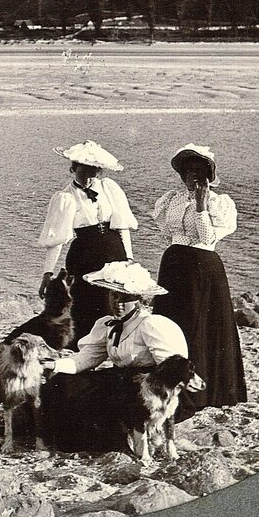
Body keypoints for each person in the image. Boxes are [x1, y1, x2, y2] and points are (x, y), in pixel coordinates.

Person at [40, 261, 189, 451]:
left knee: (103, 407)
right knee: (63, 384)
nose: (117, 303)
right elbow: (87, 358)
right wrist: (53, 365)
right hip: (119, 379)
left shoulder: (150, 325)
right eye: (113, 296)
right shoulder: (106, 324)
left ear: (140, 300)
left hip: (147, 388)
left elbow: (174, 369)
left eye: (124, 298)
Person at [150, 143, 247, 419]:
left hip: (203, 266)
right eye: (188, 171)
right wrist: (177, 247)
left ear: (208, 175)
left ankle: (204, 392)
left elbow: (206, 238)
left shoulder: (220, 203)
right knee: (172, 323)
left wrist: (202, 207)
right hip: (174, 264)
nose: (192, 176)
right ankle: (172, 383)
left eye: (198, 171)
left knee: (199, 325)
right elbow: (168, 232)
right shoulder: (172, 199)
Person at [37, 140, 137, 348]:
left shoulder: (110, 188)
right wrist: (47, 273)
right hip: (84, 255)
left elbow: (122, 226)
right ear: (73, 168)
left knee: (117, 301)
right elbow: (57, 239)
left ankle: (117, 349)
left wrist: (129, 258)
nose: (91, 176)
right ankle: (85, 351)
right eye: (85, 170)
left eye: (95, 171)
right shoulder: (65, 197)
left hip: (114, 250)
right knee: (86, 305)